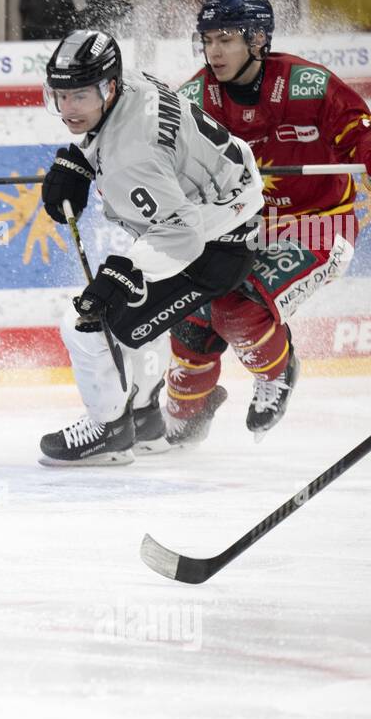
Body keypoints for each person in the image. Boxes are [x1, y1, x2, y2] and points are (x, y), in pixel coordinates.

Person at [168, 0, 371, 445]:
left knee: (236, 310)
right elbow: (161, 162)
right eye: (207, 40)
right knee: (190, 321)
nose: (214, 51)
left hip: (320, 225)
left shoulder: (307, 83)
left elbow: (358, 130)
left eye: (225, 38)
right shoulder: (192, 99)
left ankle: (278, 371)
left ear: (259, 38)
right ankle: (185, 415)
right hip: (239, 231)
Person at [38, 29, 264, 465]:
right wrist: (81, 160)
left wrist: (125, 271)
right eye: (61, 96)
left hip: (213, 246)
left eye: (80, 97)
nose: (68, 109)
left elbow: (181, 235)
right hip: (222, 214)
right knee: (133, 315)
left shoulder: (132, 157)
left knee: (87, 322)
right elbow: (134, 140)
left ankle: (109, 431)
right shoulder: (131, 84)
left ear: (108, 87)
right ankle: (144, 420)